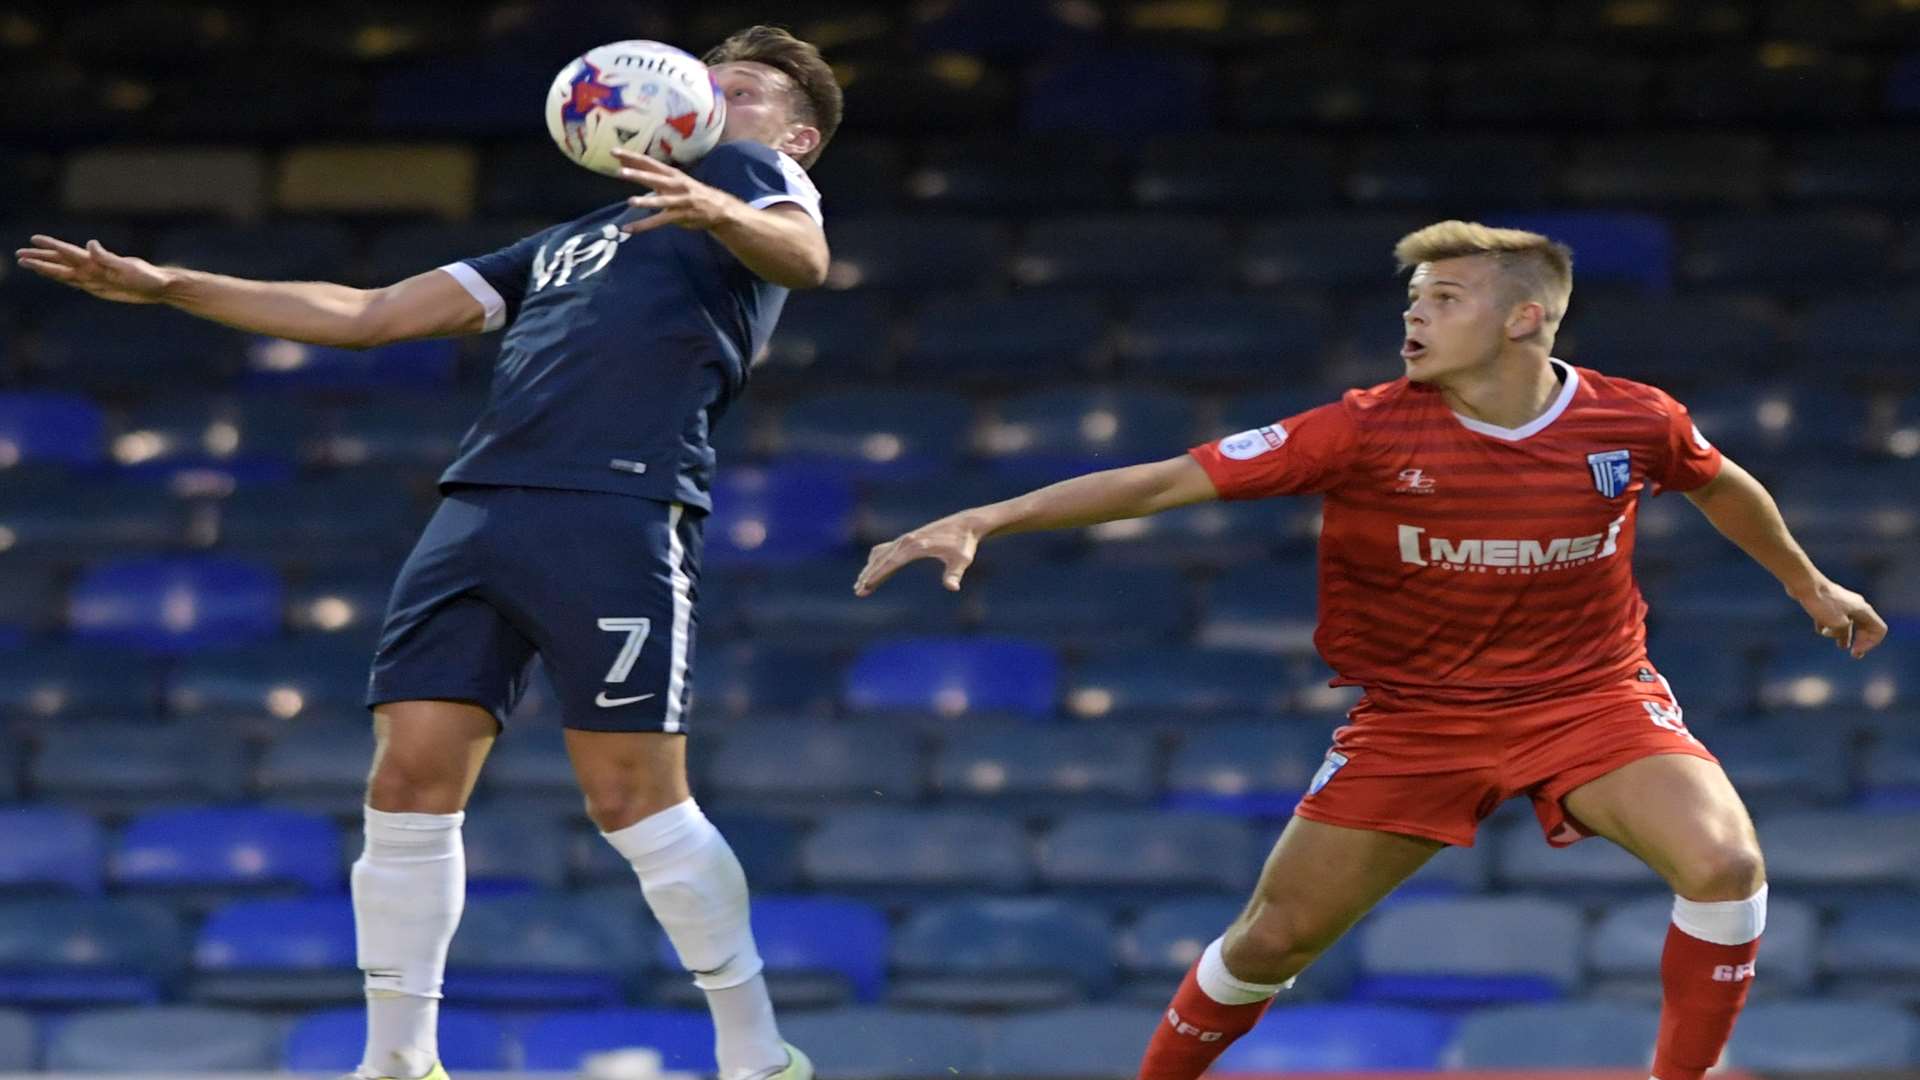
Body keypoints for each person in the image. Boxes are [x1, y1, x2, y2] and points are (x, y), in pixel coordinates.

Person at [854, 221, 1888, 1080]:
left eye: (1443, 298)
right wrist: (987, 516)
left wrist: (1808, 581)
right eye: (1414, 299)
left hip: (1593, 700)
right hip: (1415, 722)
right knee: (1270, 942)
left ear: (1523, 317)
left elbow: (1718, 481)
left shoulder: (1634, 421)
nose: (1414, 315)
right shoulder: (1360, 431)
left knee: (1726, 861)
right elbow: (1165, 481)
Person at [17, 26, 841, 1080]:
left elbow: (807, 261)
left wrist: (724, 203)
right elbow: (371, 313)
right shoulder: (570, 238)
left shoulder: (753, 183)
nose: (711, 97)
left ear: (799, 137)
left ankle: (757, 1052)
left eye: (741, 90)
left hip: (616, 509)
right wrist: (173, 283)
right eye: (704, 80)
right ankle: (399, 1060)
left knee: (634, 798)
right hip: (478, 511)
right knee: (407, 781)